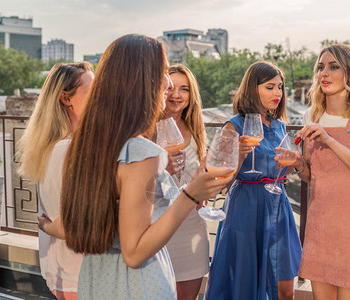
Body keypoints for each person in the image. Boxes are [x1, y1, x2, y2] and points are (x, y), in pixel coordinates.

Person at [60, 34, 232, 300]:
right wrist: (190, 196)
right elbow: (135, 252)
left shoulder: (90, 142)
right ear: (141, 80)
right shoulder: (140, 151)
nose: (168, 82)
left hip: (98, 278)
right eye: (162, 72)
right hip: (137, 286)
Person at [293, 44, 350, 300]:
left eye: (334, 67)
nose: (325, 73)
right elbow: (313, 176)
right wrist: (298, 164)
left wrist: (329, 140)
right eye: (321, 67)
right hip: (320, 226)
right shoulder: (312, 115)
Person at [204, 61, 302, 300]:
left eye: (280, 87)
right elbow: (221, 182)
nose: (278, 93)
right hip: (245, 208)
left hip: (278, 207)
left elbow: (279, 171)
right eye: (270, 87)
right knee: (243, 283)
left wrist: (292, 163)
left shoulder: (280, 126)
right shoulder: (233, 125)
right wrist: (238, 156)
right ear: (252, 88)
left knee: (285, 288)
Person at [18, 62, 94, 299]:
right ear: (66, 98)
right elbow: (69, 226)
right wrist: (47, 226)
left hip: (70, 268)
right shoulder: (66, 149)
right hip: (79, 273)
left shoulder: (60, 145)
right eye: (92, 90)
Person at [160, 64, 209, 300]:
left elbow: (197, 174)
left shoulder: (195, 128)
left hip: (191, 225)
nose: (176, 95)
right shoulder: (145, 129)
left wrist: (204, 189)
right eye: (170, 88)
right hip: (158, 226)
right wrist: (161, 168)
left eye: (184, 89)